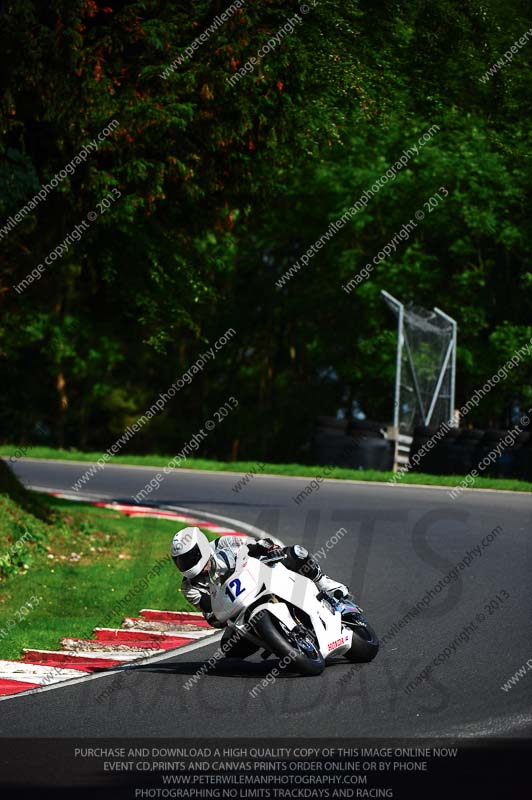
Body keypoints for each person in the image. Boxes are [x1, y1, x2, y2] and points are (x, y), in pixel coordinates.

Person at [171, 526, 349, 658]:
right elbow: (210, 612)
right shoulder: (189, 588)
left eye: (189, 558)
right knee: (230, 648)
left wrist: (266, 547)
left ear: (201, 548)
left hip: (260, 576)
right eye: (180, 561)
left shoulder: (222, 543)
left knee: (295, 553)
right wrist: (215, 616)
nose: (185, 564)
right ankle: (276, 640)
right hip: (238, 610)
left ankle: (325, 584)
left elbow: (253, 544)